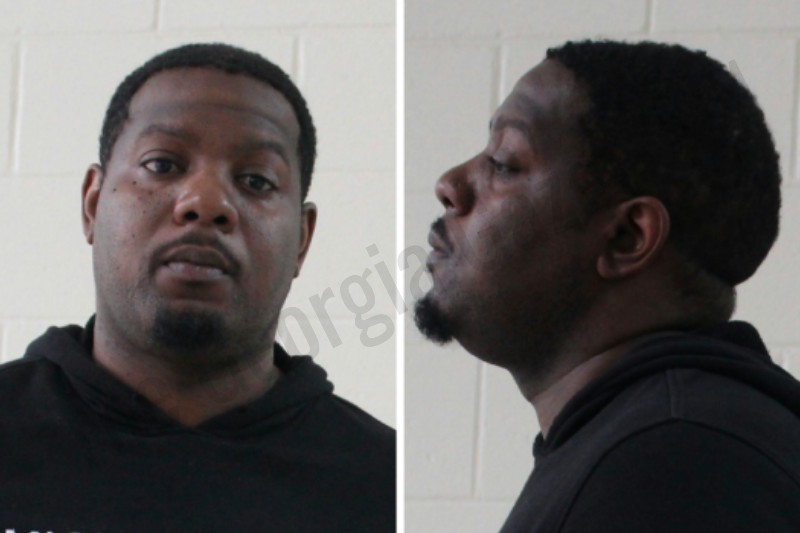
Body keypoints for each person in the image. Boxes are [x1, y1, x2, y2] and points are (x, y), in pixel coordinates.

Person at [0, 43, 394, 532]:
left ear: (302, 240)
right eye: (162, 164)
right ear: (93, 204)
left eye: (256, 180)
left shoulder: (383, 487)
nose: (206, 202)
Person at [416, 39, 800, 532]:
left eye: (505, 162)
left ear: (626, 237)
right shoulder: (681, 440)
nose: (449, 184)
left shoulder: (667, 468)